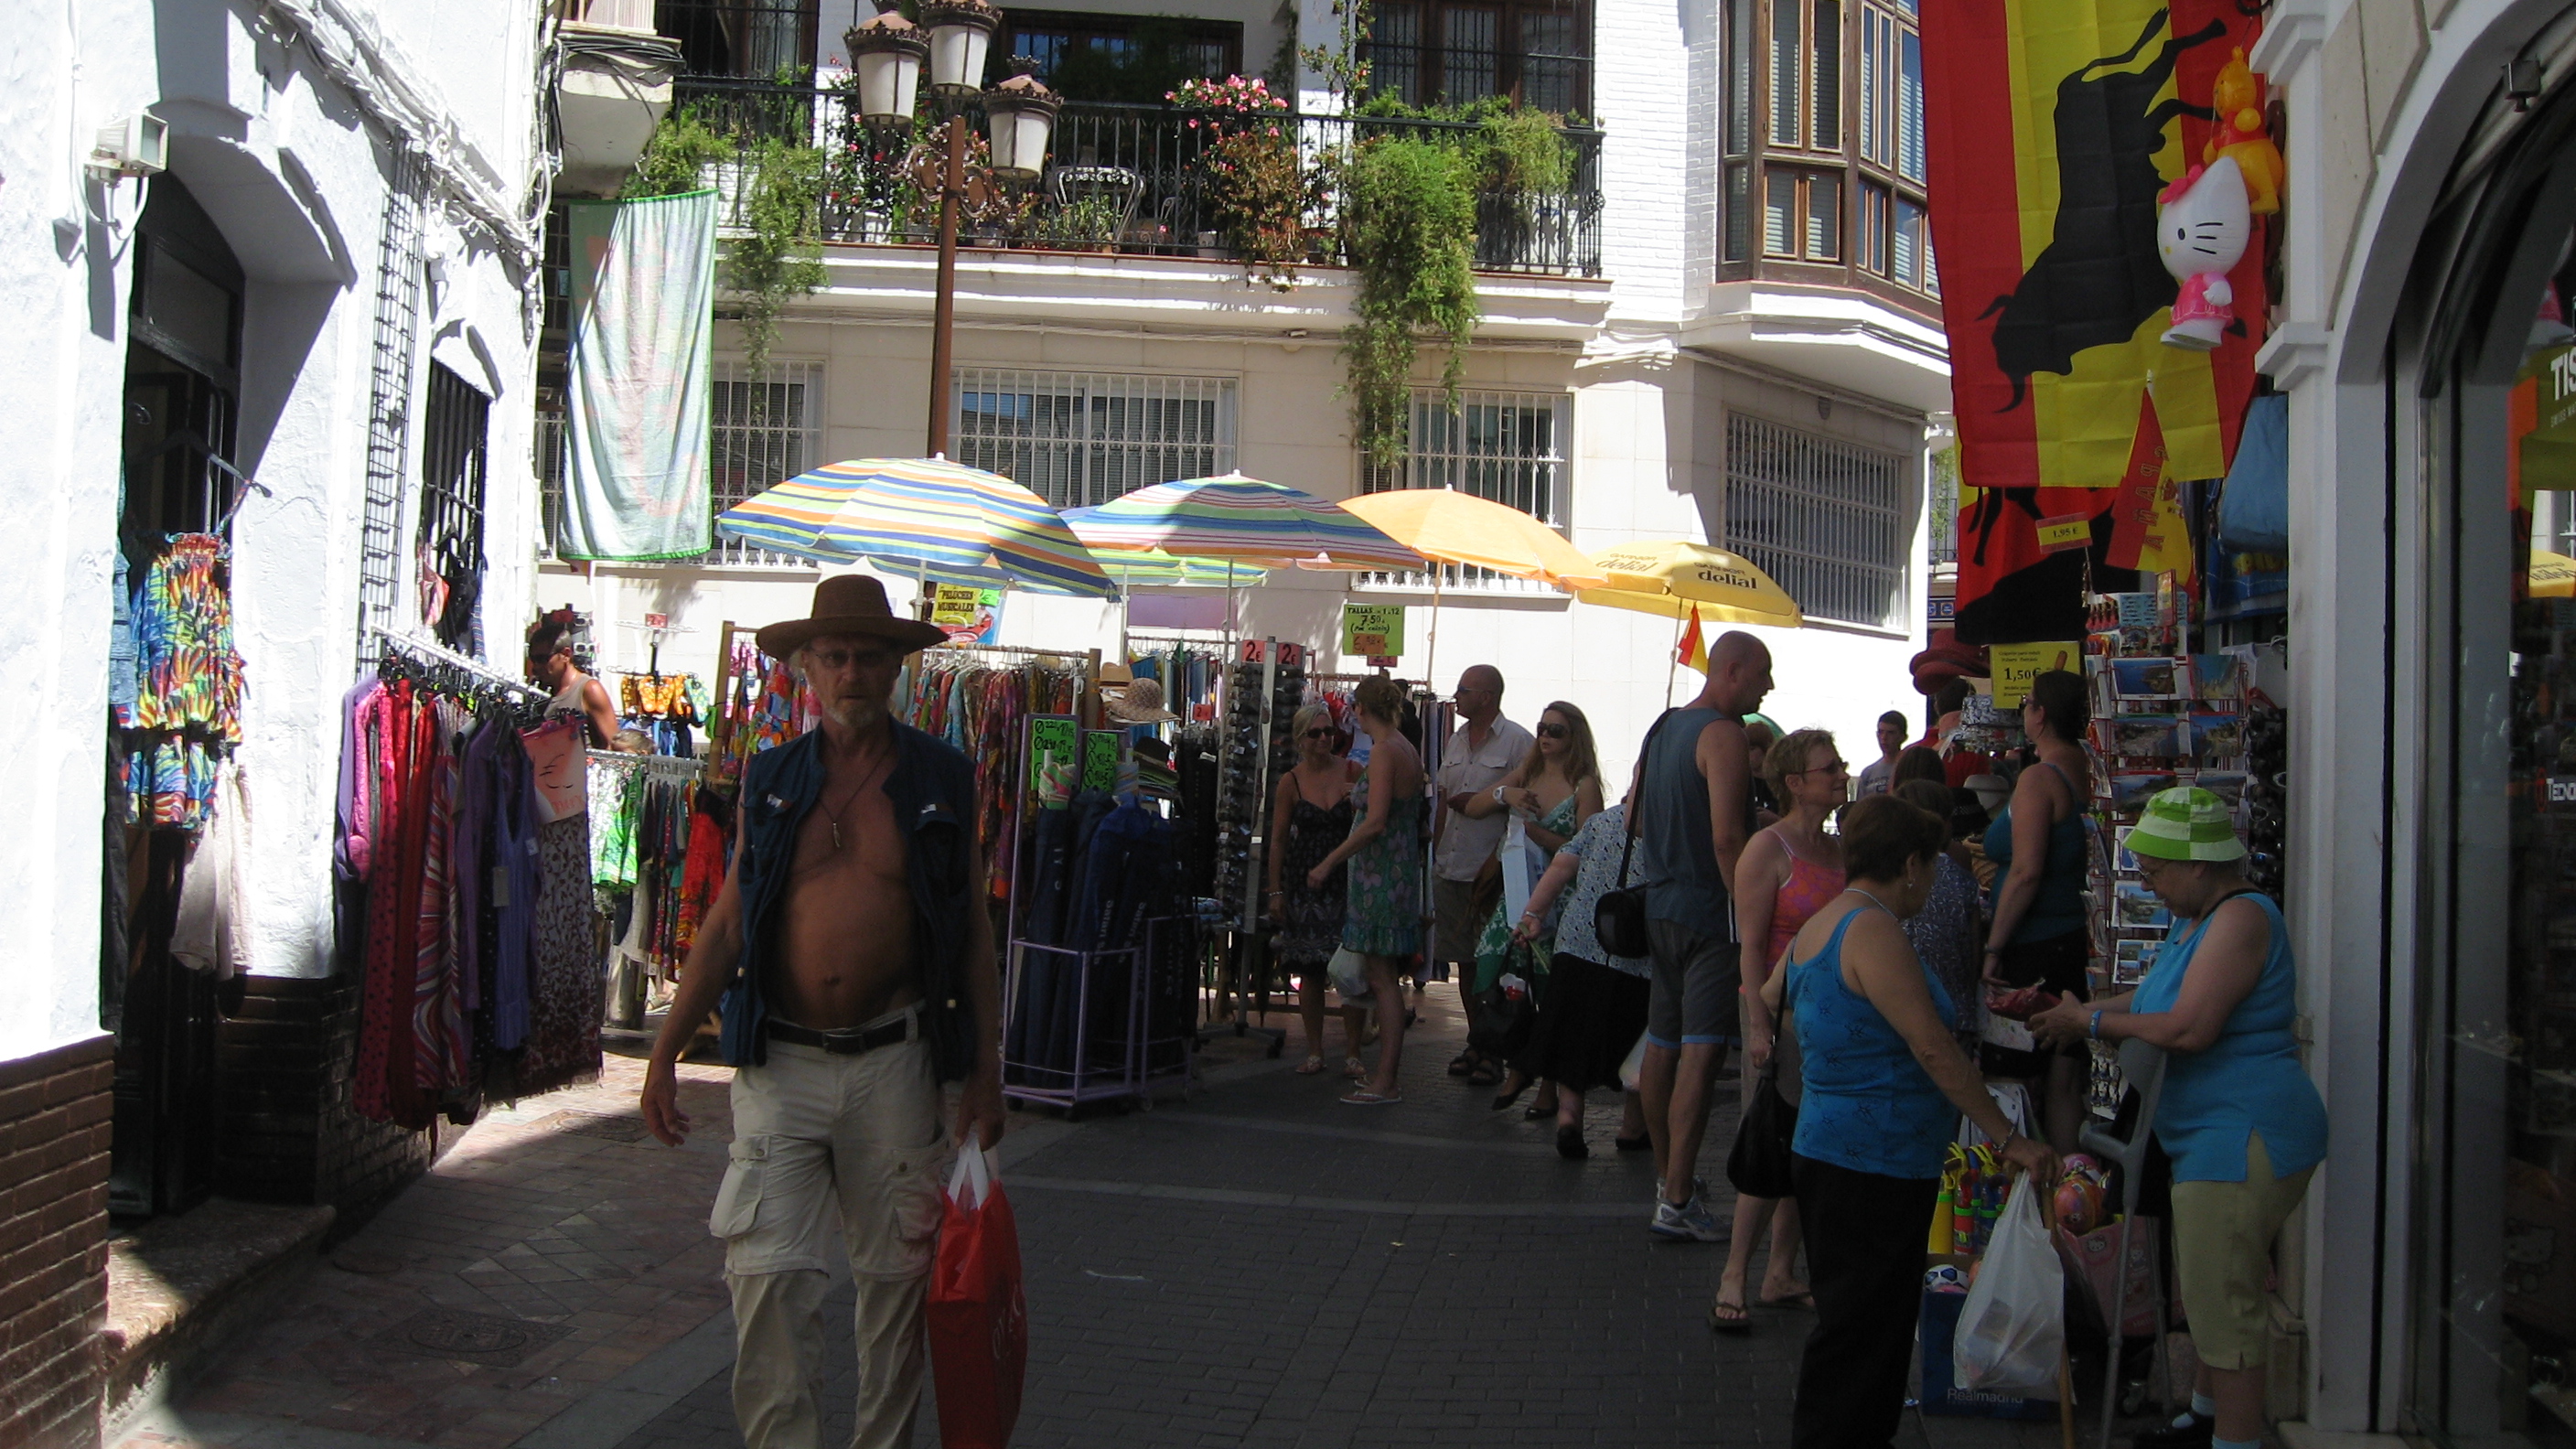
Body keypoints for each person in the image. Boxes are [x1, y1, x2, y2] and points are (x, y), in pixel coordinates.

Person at [638, 574, 1004, 1449]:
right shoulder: (771, 779)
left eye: (868, 657)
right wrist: (664, 1052)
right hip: (781, 1064)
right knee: (767, 1281)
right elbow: (728, 923)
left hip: (897, 1065)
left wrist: (986, 1072)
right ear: (805, 668)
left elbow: (972, 935)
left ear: (895, 668)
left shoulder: (941, 777)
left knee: (895, 1291)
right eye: (834, 657)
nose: (851, 674)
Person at [2031, 788, 2326, 1449]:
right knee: (2211, 1285)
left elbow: (2191, 1027)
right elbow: (2160, 997)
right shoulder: (2199, 920)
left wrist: (2092, 1023)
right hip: (2212, 1137)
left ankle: (2234, 1441)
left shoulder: (2241, 918)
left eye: (2157, 871)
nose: (2149, 885)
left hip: (2241, 1136)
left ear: (2198, 863)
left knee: (2225, 1306)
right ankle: (2204, 1419)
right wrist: (2084, 1011)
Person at [1760, 794, 2058, 1449]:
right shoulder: (1872, 930)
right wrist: (2007, 1137)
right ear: (1912, 865)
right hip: (1874, 1158)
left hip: (1836, 1145)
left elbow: (1770, 993)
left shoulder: (1824, 922)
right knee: (1863, 1329)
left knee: (1862, 1323)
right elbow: (1932, 1048)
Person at [1637, 630, 1773, 1242]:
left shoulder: (1663, 727)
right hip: (1708, 912)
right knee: (1702, 1048)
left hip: (1659, 905)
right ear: (1733, 671)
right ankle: (1678, 1198)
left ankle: (1671, 1180)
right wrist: (1747, 908)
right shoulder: (1724, 735)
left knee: (1662, 1044)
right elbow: (1725, 838)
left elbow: (1637, 816)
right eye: (1764, 674)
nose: (1769, 687)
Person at [1712, 728, 1847, 1329]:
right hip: (1783, 1017)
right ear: (1795, 782)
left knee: (1807, 1150)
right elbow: (1749, 946)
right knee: (1769, 1148)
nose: (1841, 775)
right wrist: (1758, 1025)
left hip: (1832, 1020)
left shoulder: (1839, 850)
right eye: (1829, 768)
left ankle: (1781, 1272)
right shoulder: (1768, 850)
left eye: (1839, 766)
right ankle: (1735, 1273)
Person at [1461, 701, 1604, 1104]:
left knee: (1548, 990)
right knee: (1492, 967)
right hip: (1517, 893)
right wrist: (1505, 793)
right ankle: (1509, 1057)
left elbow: (1589, 853)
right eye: (1542, 728)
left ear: (1574, 737)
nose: (1545, 736)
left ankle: (1544, 1084)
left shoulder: (1584, 785)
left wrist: (1537, 834)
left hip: (1559, 900)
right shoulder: (1528, 772)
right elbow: (1472, 806)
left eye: (1556, 730)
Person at [1509, 776, 1655, 1160]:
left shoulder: (1599, 823)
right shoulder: (1673, 832)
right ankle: (1632, 1127)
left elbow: (1560, 869)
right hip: (1637, 954)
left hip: (1578, 942)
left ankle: (1570, 1119)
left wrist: (1532, 914)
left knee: (1570, 1035)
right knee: (1636, 1042)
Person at [1983, 669, 2095, 1150]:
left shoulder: (2039, 778)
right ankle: (2068, 1179)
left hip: (2032, 947)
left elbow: (2026, 872)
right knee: (2064, 1079)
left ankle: (2022, 1183)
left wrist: (1993, 948)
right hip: (2073, 940)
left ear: (2041, 714)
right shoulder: (2086, 769)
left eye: (2026, 703)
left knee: (2014, 1078)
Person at [1312, 675, 1427, 1106]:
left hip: (1380, 876)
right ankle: (1384, 1076)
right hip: (1393, 872)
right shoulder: (1403, 747)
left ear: (1360, 709)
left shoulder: (1384, 751)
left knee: (1382, 979)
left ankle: (1386, 1079)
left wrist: (1329, 860)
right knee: (1383, 977)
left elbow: (1376, 821)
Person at [1433, 664, 1533, 1075]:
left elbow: (1528, 806)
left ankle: (1495, 1051)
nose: (1456, 696)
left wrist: (1488, 802)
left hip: (1491, 870)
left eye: (1464, 690)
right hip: (1451, 866)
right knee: (1464, 962)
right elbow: (1443, 800)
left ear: (1487, 696)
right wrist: (1437, 850)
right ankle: (1476, 1042)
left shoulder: (1518, 742)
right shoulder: (1455, 739)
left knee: (1494, 962)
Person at [1267, 702, 1364, 1078]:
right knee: (1309, 970)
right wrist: (1275, 891)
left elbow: (1373, 822)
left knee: (1351, 970)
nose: (1324, 738)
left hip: (1346, 879)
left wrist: (1357, 801)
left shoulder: (1353, 771)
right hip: (1305, 881)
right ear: (1300, 740)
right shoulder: (1290, 782)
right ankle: (1314, 1049)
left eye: (1329, 731)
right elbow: (1278, 840)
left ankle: (1353, 1051)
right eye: (1315, 733)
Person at [1894, 778, 1983, 1046]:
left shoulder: (1888, 877)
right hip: (1956, 1015)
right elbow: (1973, 952)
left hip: (1901, 1019)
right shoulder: (1962, 879)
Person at [528, 620, 618, 748]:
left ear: (566, 654)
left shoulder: (588, 689)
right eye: (533, 659)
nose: (536, 666)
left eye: (543, 659)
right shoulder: (540, 692)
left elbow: (614, 746)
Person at [1855, 710, 1907, 797]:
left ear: (1902, 737)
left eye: (1891, 733)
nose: (1884, 737)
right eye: (1881, 732)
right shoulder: (1868, 773)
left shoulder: (1909, 769)